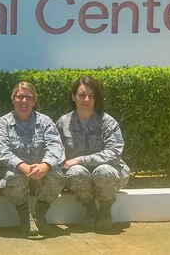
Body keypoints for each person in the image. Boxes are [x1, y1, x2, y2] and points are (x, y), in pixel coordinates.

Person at [56, 75, 130, 231]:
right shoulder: (63, 123)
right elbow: (56, 151)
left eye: (91, 96)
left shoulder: (107, 121)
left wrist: (81, 160)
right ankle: (90, 209)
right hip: (78, 174)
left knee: (104, 171)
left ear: (97, 98)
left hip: (111, 170)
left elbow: (114, 152)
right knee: (75, 172)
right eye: (82, 95)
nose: (86, 100)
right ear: (74, 97)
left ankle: (105, 210)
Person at [0, 81, 66, 237]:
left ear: (34, 100)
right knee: (13, 177)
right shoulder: (2, 123)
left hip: (39, 173)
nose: (24, 101)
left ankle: (40, 215)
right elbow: (0, 150)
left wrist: (45, 165)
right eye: (19, 97)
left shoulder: (45, 122)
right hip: (13, 172)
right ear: (13, 99)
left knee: (56, 175)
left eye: (28, 97)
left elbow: (55, 146)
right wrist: (21, 165)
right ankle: (25, 216)